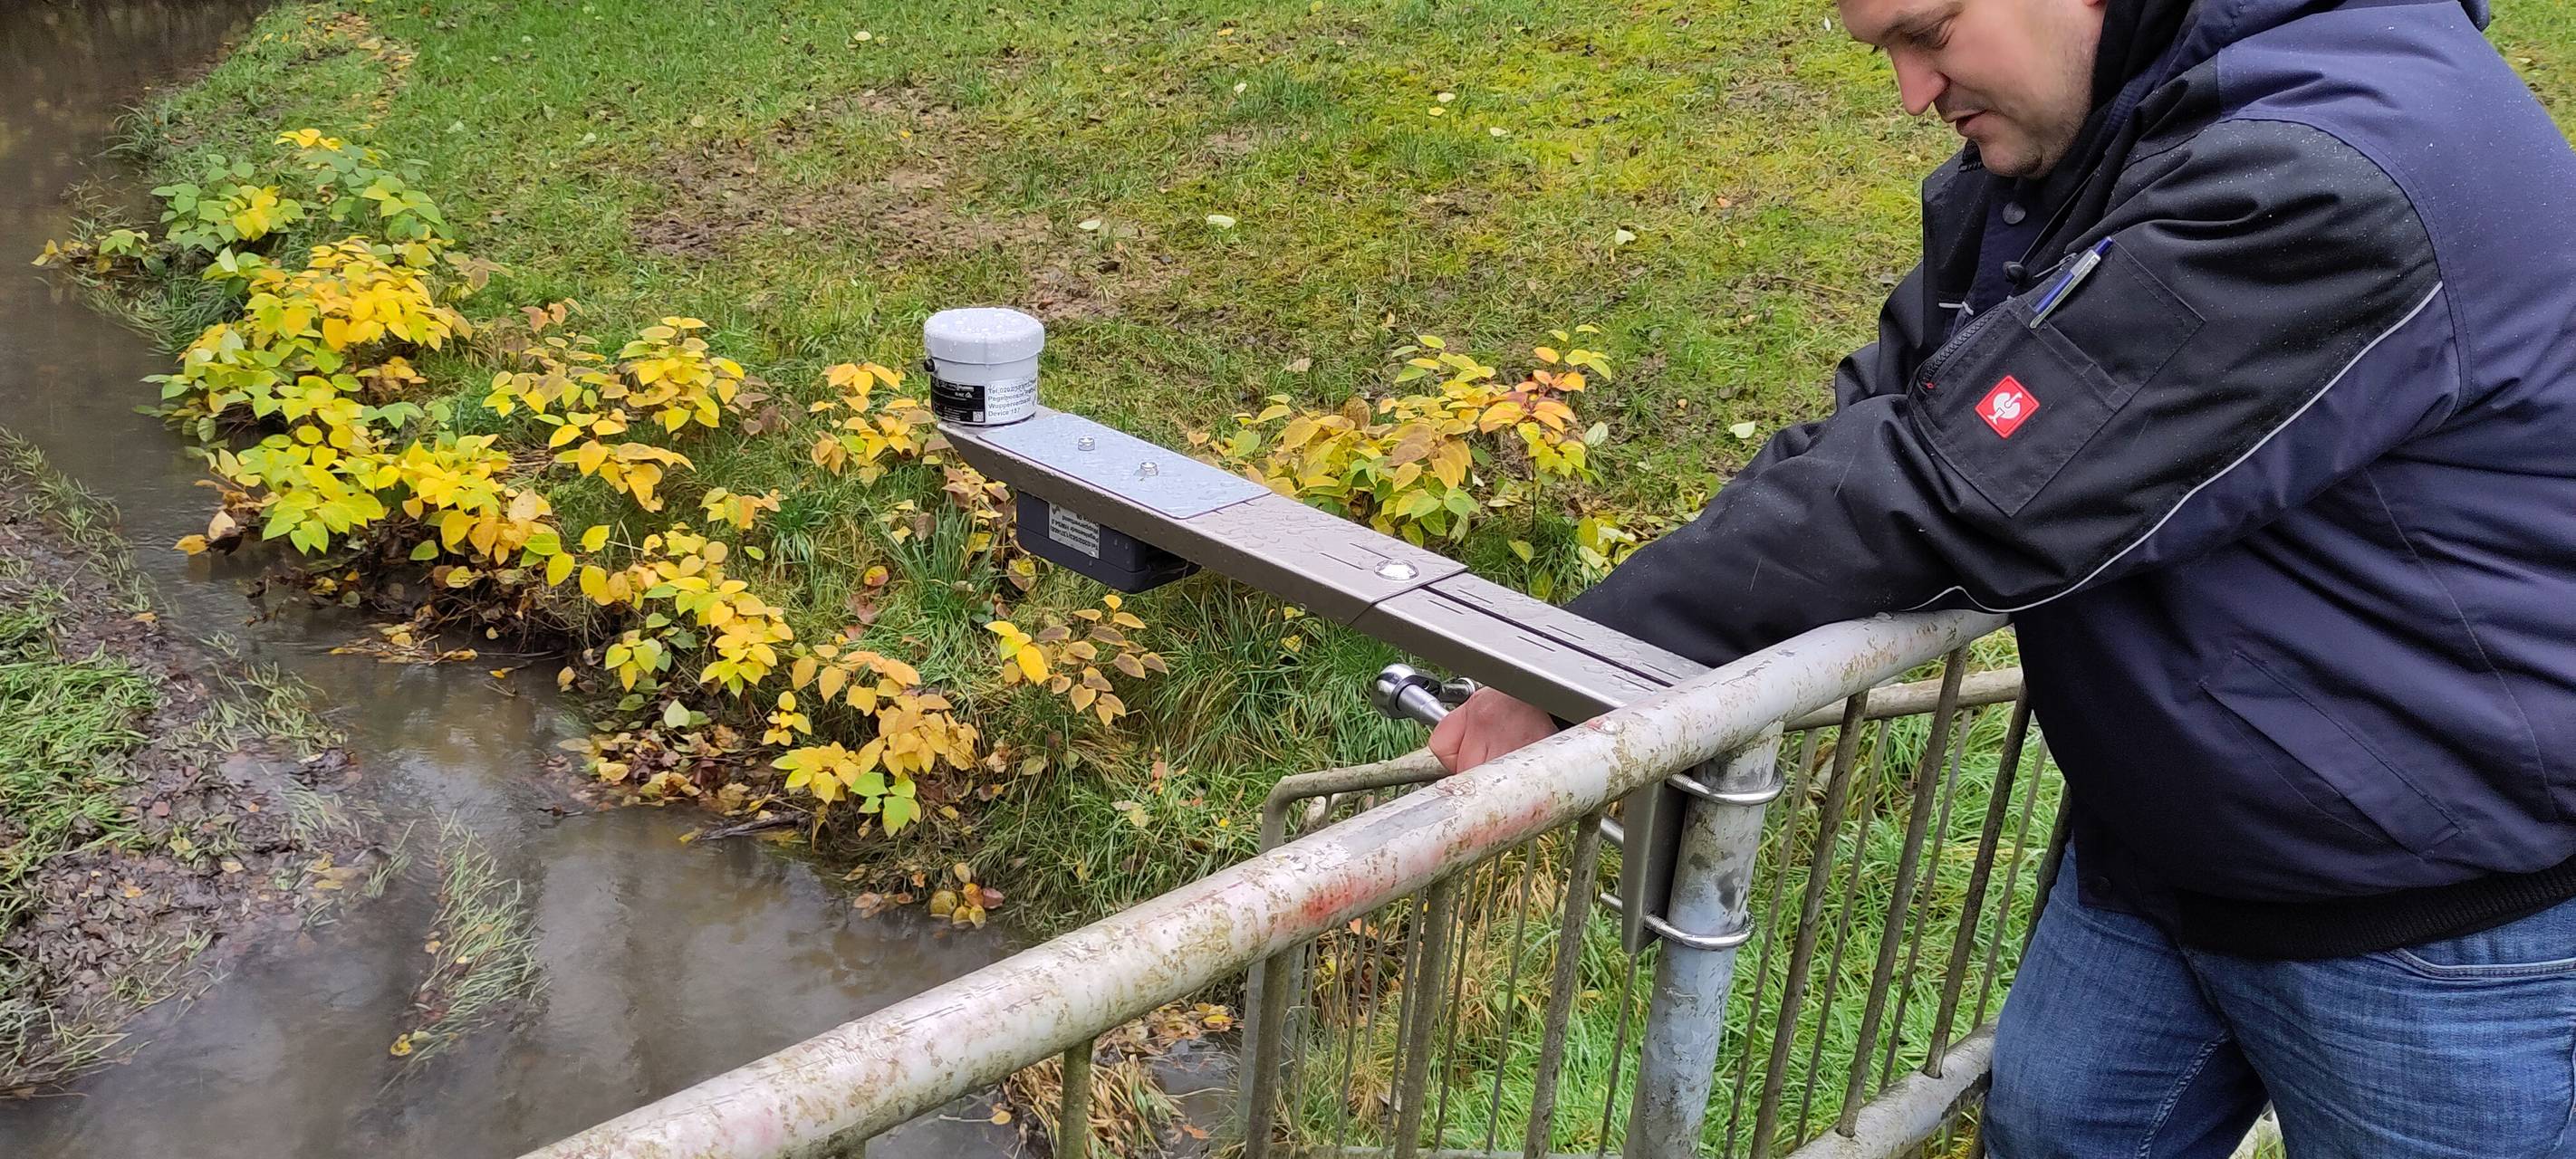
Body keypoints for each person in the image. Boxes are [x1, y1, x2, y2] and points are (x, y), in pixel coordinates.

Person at [1428, 0, 2576, 1153]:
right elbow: (1887, 413)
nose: (1912, 95)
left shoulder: (2325, 174)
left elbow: (1960, 482)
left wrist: (1575, 669)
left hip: (2428, 906)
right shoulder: (2089, 135)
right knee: (2049, 1129)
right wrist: (1589, 644)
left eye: (1927, 32)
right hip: (2164, 840)